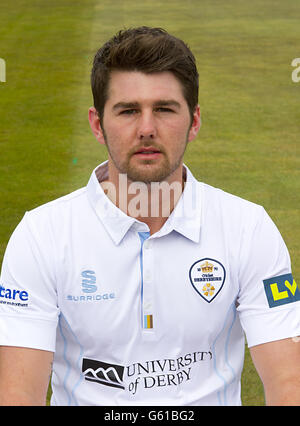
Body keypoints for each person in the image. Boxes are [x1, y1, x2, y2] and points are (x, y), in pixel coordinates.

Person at [0, 26, 299, 406]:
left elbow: (289, 382)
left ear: (193, 122)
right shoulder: (41, 235)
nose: (146, 129)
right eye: (128, 111)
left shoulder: (249, 228)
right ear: (97, 124)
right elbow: (17, 395)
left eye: (164, 109)